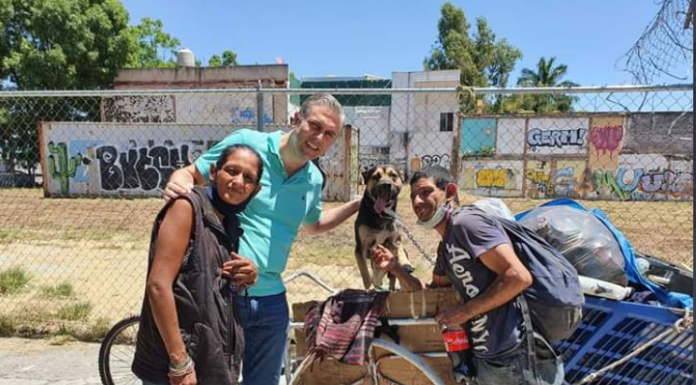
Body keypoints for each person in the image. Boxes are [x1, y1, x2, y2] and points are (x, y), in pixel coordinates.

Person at [164, 94, 361, 385]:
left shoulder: (313, 179)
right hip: (224, 290)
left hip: (271, 301)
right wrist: (179, 180)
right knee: (214, 379)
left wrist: (358, 204)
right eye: (314, 126)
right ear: (296, 120)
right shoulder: (248, 145)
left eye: (329, 134)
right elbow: (193, 173)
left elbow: (314, 225)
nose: (319, 138)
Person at [372, 166, 565, 385]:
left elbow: (518, 276)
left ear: (450, 192)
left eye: (426, 192)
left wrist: (465, 311)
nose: (417, 202)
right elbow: (431, 295)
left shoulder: (467, 224)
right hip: (486, 352)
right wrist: (395, 268)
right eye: (413, 195)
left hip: (511, 352)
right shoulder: (447, 245)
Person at [133, 144, 263, 385]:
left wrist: (247, 275)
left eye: (248, 178)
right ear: (214, 172)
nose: (237, 181)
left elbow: (205, 281)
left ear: (255, 190)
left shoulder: (228, 221)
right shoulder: (187, 207)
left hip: (208, 357)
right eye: (231, 171)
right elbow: (158, 286)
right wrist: (180, 362)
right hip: (177, 363)